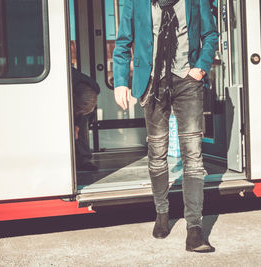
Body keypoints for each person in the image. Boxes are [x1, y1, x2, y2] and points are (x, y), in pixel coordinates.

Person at [113, 0, 218, 252]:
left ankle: (194, 228)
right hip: (151, 82)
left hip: (187, 80)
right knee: (157, 151)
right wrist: (120, 81)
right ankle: (162, 212)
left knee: (193, 154)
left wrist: (201, 68)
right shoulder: (135, 3)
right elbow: (123, 42)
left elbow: (211, 34)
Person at [72, 66, 100, 171]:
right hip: (73, 97)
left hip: (81, 100)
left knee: (81, 126)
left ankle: (84, 160)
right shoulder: (68, 81)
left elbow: (86, 109)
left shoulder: (94, 89)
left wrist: (77, 125)